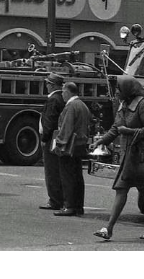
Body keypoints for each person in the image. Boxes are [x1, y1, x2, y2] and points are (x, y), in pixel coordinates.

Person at [91, 75, 144, 241]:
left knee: (124, 189)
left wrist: (129, 131)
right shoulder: (123, 104)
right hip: (129, 155)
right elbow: (116, 128)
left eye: (118, 89)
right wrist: (101, 141)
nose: (116, 92)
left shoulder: (143, 105)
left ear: (127, 90)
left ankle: (108, 229)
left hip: (140, 155)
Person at [52, 82, 91, 217]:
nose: (62, 94)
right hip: (80, 144)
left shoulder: (71, 106)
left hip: (70, 146)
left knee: (67, 176)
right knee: (77, 176)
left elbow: (66, 127)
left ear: (68, 92)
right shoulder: (83, 105)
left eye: (63, 92)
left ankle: (69, 206)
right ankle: (78, 206)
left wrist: (59, 143)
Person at [39, 72, 66, 211]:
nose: (46, 86)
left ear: (52, 85)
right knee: (57, 169)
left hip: (51, 138)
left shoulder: (53, 99)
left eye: (48, 84)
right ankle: (60, 198)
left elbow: (49, 121)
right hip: (57, 137)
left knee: (51, 170)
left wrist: (44, 138)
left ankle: (54, 200)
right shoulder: (61, 97)